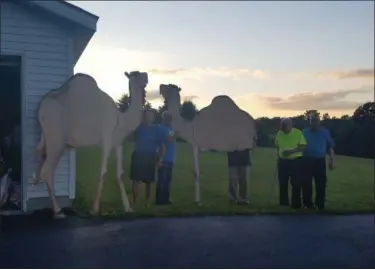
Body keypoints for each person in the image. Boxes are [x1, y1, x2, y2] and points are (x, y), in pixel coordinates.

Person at [130, 109, 166, 208]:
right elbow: (130, 137)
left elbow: (162, 146)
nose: (148, 117)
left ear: (153, 118)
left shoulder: (156, 129)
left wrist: (160, 160)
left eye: (150, 116)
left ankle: (147, 202)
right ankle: (134, 202)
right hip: (138, 156)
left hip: (150, 157)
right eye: (146, 115)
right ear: (143, 117)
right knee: (135, 181)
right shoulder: (137, 128)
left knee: (148, 182)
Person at [302, 113, 335, 211]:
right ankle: (308, 204)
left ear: (319, 121)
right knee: (306, 183)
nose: (314, 122)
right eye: (312, 120)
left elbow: (330, 147)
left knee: (321, 183)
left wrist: (332, 160)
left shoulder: (325, 132)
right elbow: (300, 146)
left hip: (319, 161)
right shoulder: (304, 132)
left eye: (316, 120)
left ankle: (320, 205)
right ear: (309, 121)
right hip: (306, 160)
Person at [275, 118, 307, 209]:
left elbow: (303, 147)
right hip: (283, 161)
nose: (283, 127)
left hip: (295, 161)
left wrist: (291, 152)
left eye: (285, 125)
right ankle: (283, 203)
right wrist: (278, 156)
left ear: (290, 125)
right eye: (282, 125)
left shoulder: (298, 133)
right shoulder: (279, 133)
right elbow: (277, 146)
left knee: (296, 183)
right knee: (282, 183)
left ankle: (296, 204)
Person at [155, 111, 175, 205]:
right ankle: (159, 200)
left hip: (170, 158)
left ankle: (166, 199)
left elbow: (171, 138)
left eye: (170, 118)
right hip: (163, 158)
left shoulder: (170, 128)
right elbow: (168, 139)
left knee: (168, 180)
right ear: (164, 118)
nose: (170, 119)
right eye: (168, 117)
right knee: (162, 180)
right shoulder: (160, 128)